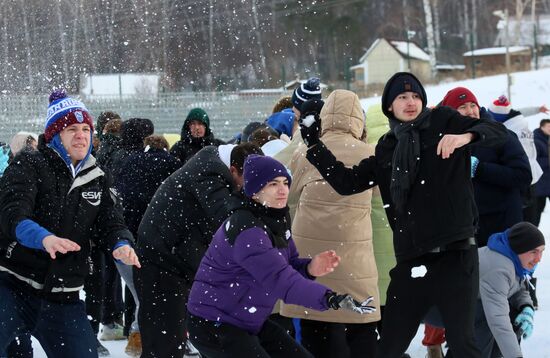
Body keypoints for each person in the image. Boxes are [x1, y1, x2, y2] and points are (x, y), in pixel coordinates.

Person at [299, 72, 508, 358]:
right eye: (402, 97)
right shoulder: (387, 147)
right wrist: (314, 145)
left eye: (415, 96)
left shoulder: (444, 121)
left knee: (463, 343)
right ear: (389, 106)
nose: (410, 102)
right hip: (412, 260)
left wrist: (465, 136)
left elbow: (498, 133)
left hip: (456, 255)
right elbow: (347, 183)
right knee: (388, 347)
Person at [186, 154, 376, 358]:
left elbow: (289, 264)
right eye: (273, 184)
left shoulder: (274, 218)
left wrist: (310, 267)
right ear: (254, 191)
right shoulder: (247, 230)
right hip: (215, 324)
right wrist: (330, 299)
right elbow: (282, 281)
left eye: (285, 182)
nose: (283, 189)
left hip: (248, 319)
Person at [0, 91, 140, 357]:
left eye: (86, 128)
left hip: (63, 294)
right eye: (72, 129)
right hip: (12, 284)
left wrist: (121, 242)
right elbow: (12, 215)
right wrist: (43, 238)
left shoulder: (96, 176)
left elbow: (110, 222)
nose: (81, 135)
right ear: (55, 135)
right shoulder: (30, 163)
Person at [135, 143, 262, 358]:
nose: (250, 190)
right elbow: (228, 217)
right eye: (248, 183)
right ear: (233, 171)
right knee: (165, 341)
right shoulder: (208, 172)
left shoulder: (217, 169)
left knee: (206, 334)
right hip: (161, 263)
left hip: (184, 261)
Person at [280, 90, 381, 357]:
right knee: (361, 327)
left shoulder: (306, 151)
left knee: (316, 325)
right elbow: (381, 201)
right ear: (358, 119)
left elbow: (290, 197)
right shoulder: (370, 152)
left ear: (324, 118)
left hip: (313, 258)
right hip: (354, 259)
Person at [474, 222, 544, 357]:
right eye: (534, 252)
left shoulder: (512, 258)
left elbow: (516, 286)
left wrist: (526, 307)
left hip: (466, 308)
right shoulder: (499, 268)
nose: (538, 259)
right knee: (490, 318)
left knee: (514, 314)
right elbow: (498, 320)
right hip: (443, 307)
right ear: (519, 249)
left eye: (541, 251)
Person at [533, 119, 550, 227]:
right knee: (536, 214)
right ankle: (533, 238)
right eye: (549, 127)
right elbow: (534, 161)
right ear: (541, 127)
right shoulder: (535, 140)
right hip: (540, 185)